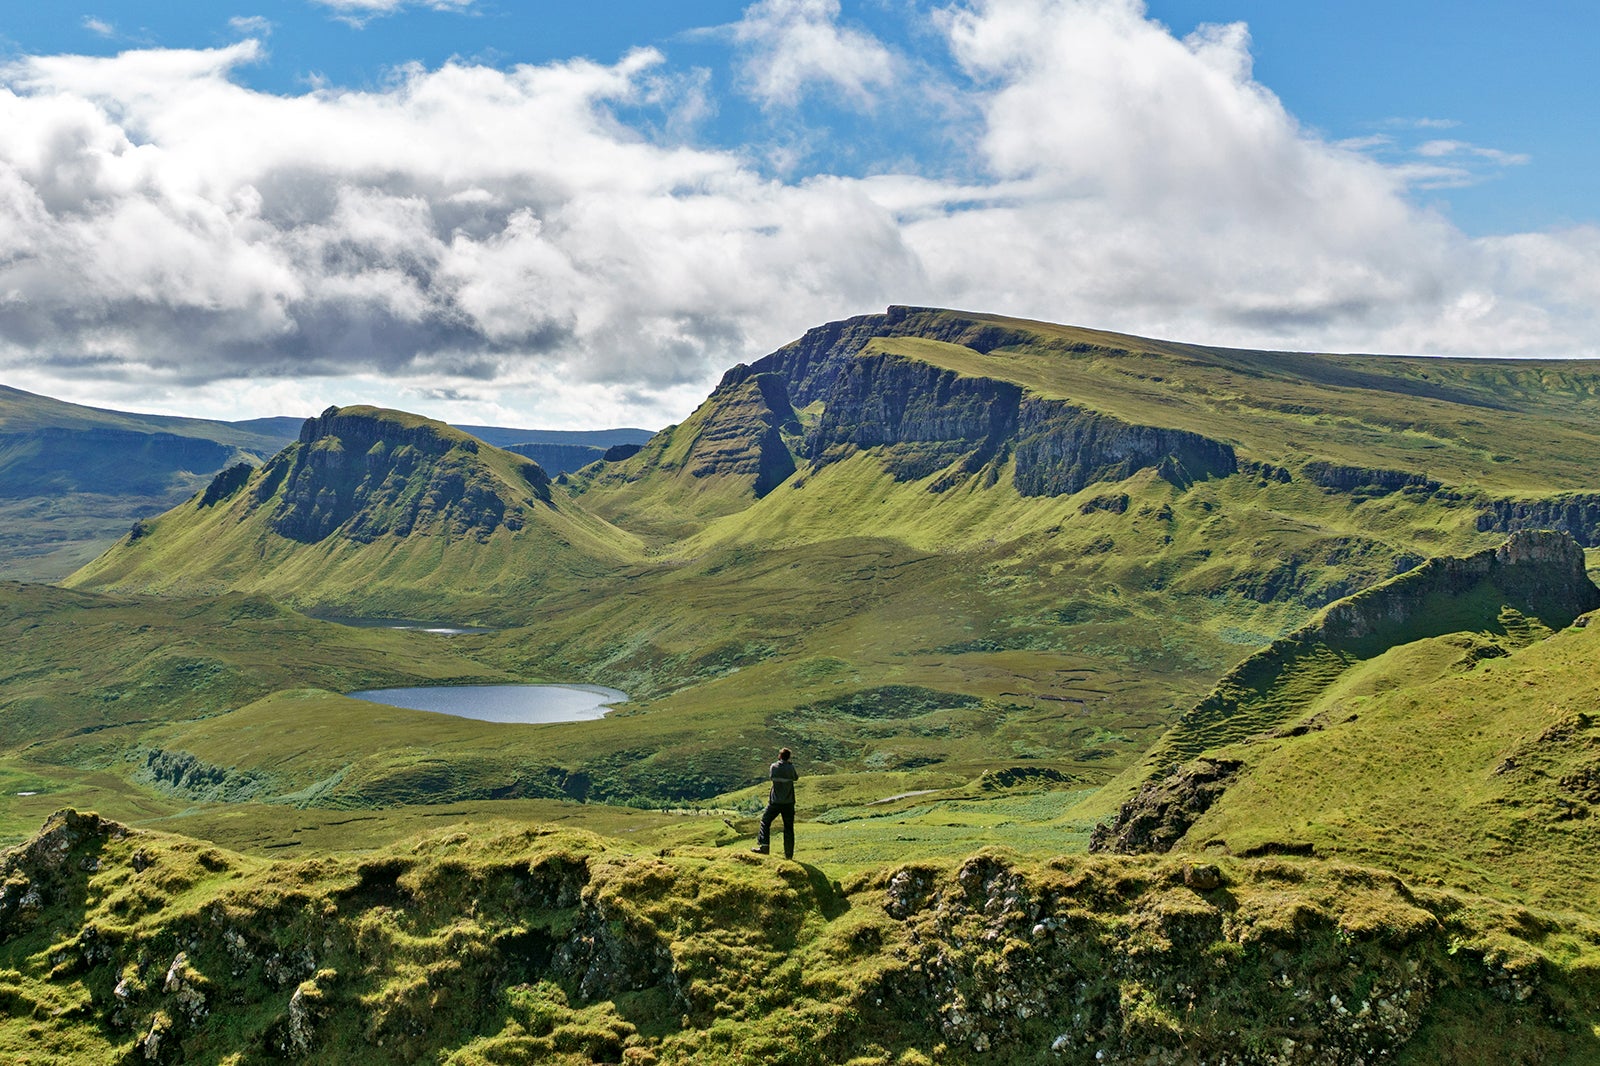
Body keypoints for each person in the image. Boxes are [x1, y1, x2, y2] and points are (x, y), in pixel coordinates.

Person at [752, 748, 799, 859]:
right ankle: (789, 855)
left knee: (765, 821)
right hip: (788, 802)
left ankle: (764, 847)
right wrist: (789, 765)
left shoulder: (774, 767)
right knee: (788, 828)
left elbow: (771, 777)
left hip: (775, 802)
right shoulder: (791, 768)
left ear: (779, 756)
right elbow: (796, 778)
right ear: (789, 757)